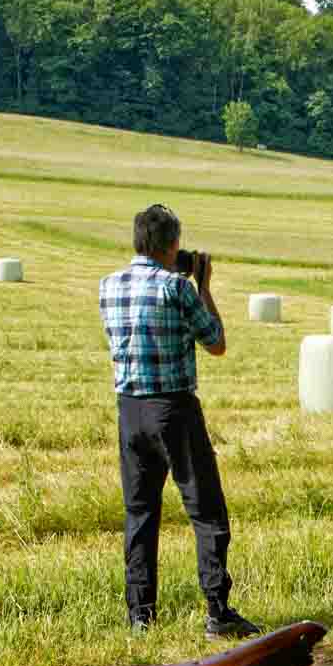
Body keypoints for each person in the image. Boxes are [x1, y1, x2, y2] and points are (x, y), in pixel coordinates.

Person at [101, 203, 260, 638]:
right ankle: (217, 609)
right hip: (173, 408)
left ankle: (141, 616)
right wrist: (204, 286)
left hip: (129, 409)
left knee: (140, 513)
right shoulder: (176, 287)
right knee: (206, 509)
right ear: (171, 245)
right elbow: (216, 343)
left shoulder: (108, 286)